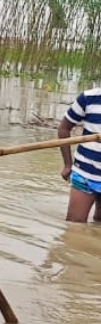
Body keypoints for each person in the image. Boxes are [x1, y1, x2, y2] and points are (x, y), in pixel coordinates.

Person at [58, 87, 101, 223]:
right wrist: (67, 165)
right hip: (84, 172)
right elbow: (64, 128)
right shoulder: (88, 98)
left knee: (99, 222)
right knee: (74, 225)